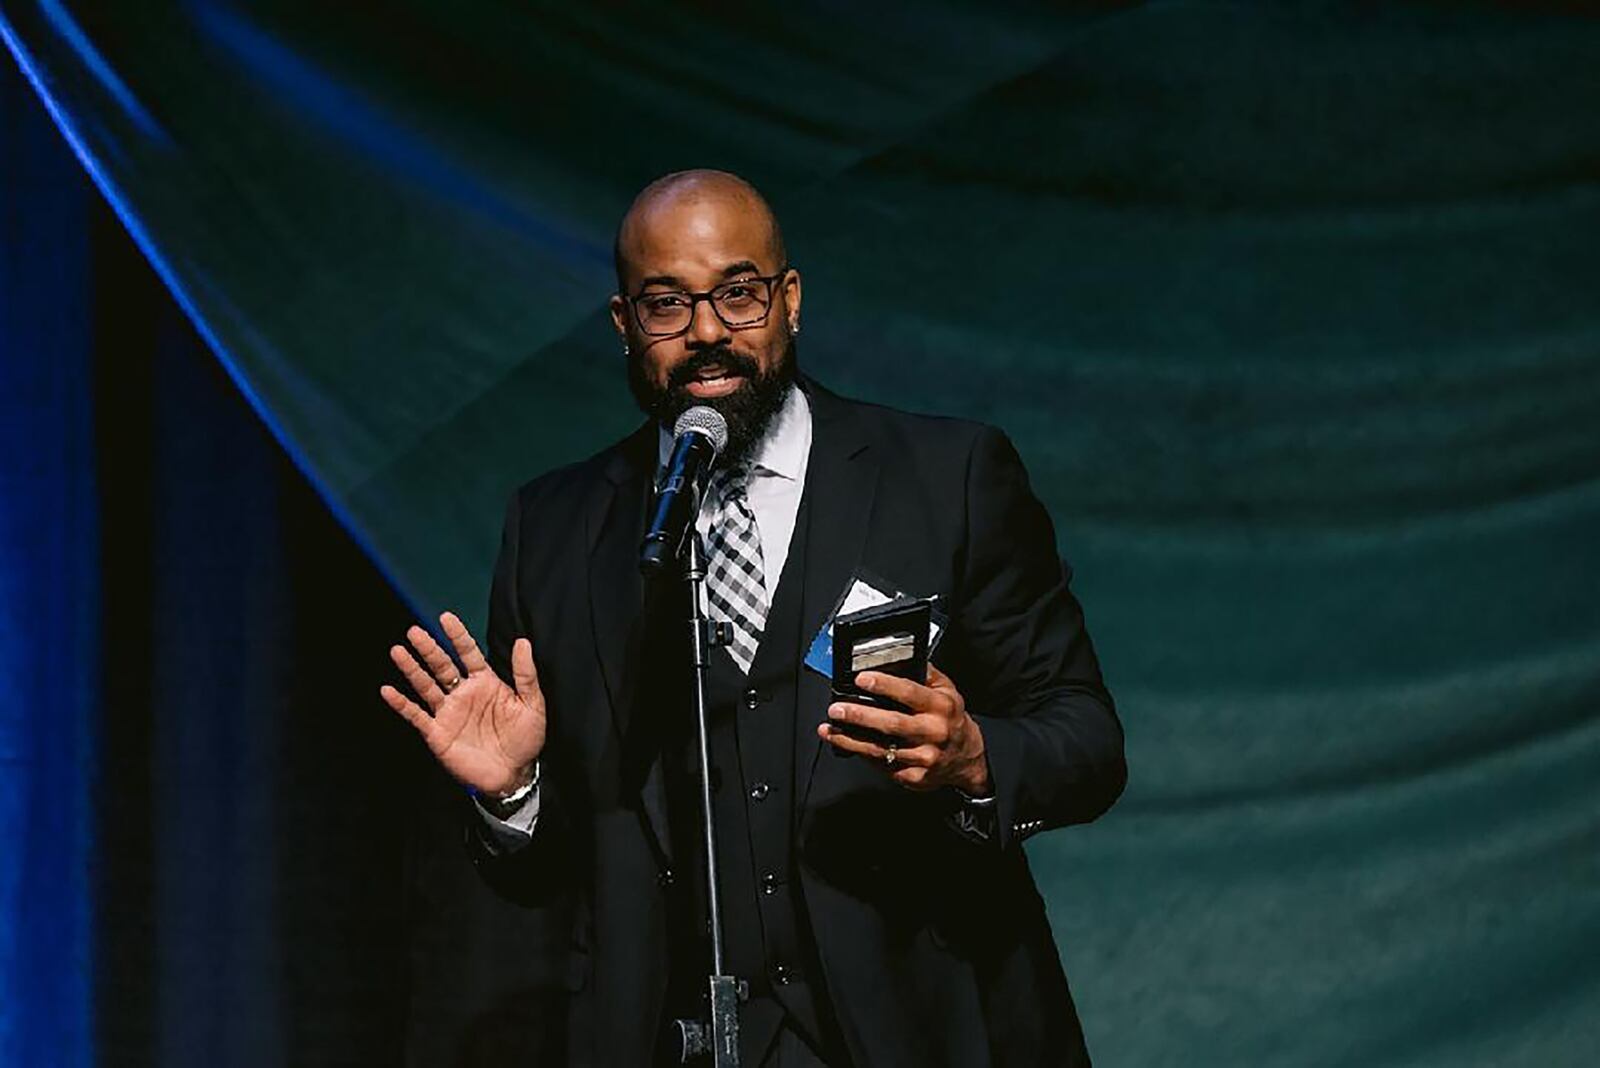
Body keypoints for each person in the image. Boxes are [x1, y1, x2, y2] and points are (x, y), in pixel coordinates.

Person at [381, 169, 1126, 1067]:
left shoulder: (947, 475)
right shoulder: (554, 527)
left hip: (931, 1025)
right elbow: (555, 871)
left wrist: (974, 761)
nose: (706, 332)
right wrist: (511, 795)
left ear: (789, 300)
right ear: (624, 325)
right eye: (667, 304)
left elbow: (1086, 743)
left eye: (737, 294)